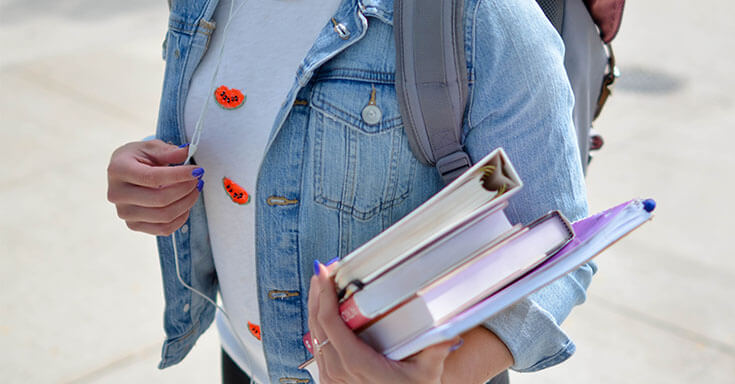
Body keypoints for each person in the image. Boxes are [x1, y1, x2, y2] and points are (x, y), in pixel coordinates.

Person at [106, 0, 596, 382]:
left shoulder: (481, 15)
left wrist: (444, 377)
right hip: (241, 358)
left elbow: (558, 246)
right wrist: (147, 179)